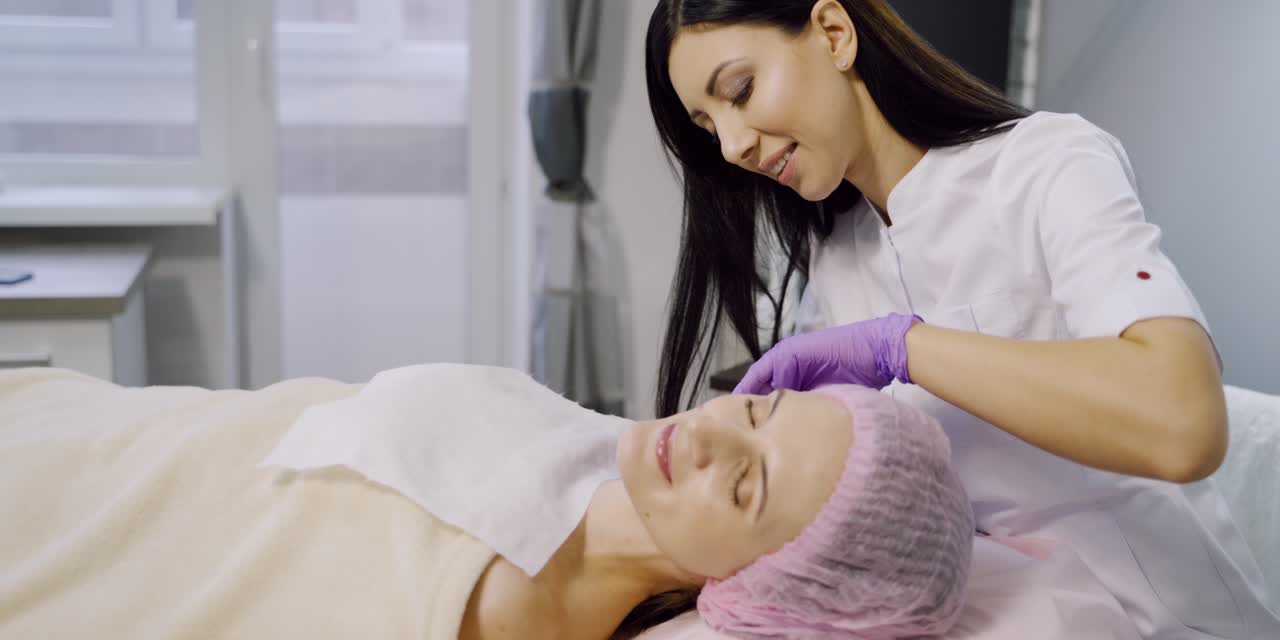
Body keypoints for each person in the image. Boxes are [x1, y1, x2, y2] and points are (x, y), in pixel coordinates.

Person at [644, 0, 1280, 638]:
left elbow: (1185, 424)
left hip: (1157, 611)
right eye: (707, 126)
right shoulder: (837, 254)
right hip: (996, 601)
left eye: (741, 90)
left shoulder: (1046, 166)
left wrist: (905, 347)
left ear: (832, 34)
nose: (732, 146)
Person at [0, 366, 972, 640]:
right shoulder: (602, 448)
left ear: (765, 587)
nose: (711, 431)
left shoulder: (497, 613)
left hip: (57, 531)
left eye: (744, 481)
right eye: (757, 407)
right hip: (79, 426)